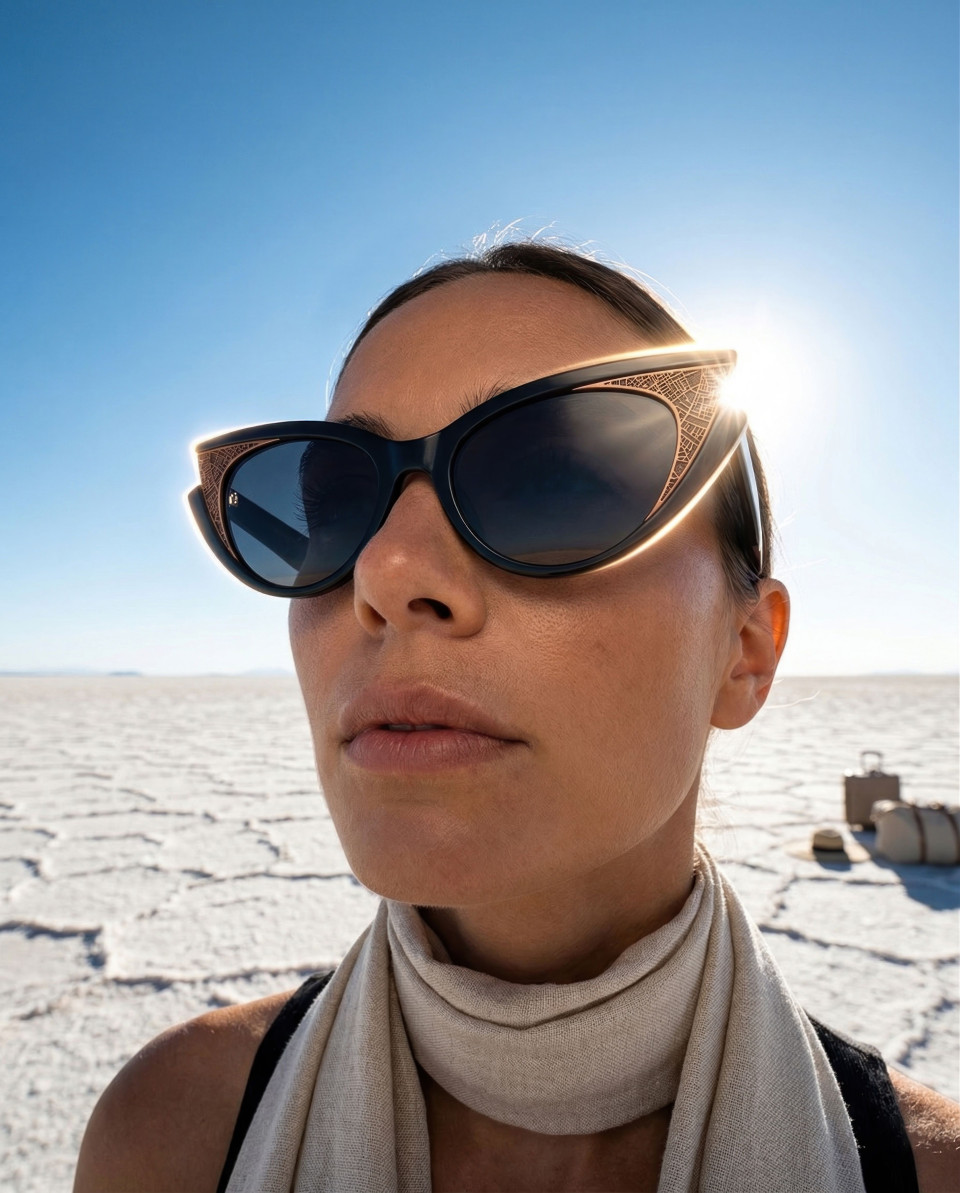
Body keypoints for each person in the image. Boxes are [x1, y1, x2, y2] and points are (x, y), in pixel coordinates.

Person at [75, 241, 959, 1193]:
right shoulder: (169, 1134)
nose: (387, 571)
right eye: (334, 504)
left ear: (745, 652)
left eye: (556, 482)